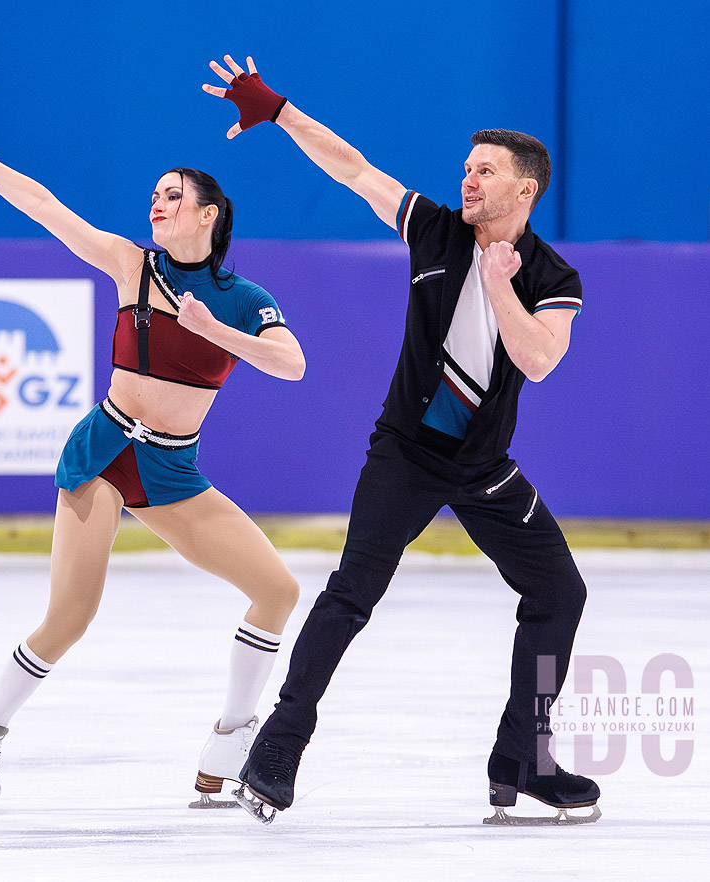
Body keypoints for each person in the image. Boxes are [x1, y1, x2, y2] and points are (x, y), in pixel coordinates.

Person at [202, 57, 601, 825]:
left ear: (527, 189)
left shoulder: (553, 275)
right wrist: (279, 111)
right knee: (352, 593)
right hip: (405, 456)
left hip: (484, 470)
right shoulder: (436, 231)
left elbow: (540, 360)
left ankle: (524, 758)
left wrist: (497, 287)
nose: (469, 180)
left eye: (486, 171)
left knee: (560, 594)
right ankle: (279, 745)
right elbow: (353, 168)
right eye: (466, 167)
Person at [0, 96, 305, 812]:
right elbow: (44, 205)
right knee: (72, 616)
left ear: (208, 213)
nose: (157, 204)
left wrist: (214, 330)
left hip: (174, 469)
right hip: (106, 455)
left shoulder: (244, 299)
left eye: (172, 196)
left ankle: (230, 741)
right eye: (153, 195)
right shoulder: (131, 265)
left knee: (277, 590)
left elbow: (291, 365)